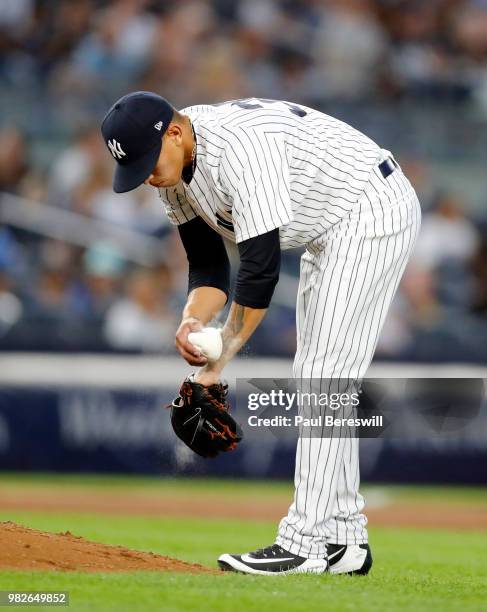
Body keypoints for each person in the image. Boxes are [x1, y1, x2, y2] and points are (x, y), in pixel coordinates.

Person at [101, 91, 421, 575]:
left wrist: (213, 369)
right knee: (323, 378)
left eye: (148, 159)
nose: (147, 173)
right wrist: (193, 319)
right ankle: (344, 540)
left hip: (369, 208)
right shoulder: (172, 173)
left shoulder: (237, 150)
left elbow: (259, 272)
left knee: (323, 377)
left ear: (174, 131)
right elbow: (208, 267)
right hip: (329, 231)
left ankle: (304, 543)